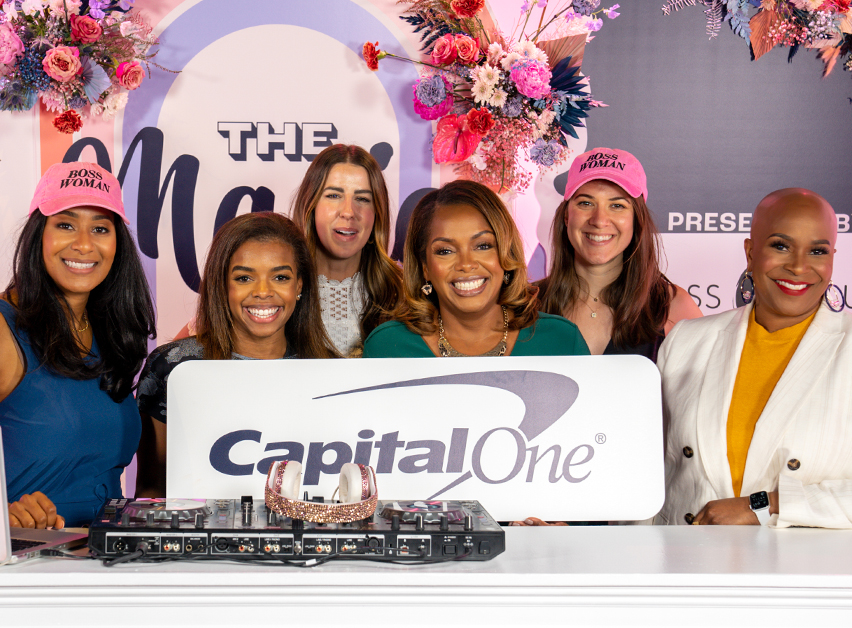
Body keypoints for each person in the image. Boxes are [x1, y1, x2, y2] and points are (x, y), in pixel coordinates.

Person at [656, 188, 852, 528]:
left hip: (802, 574)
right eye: (780, 246)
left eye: (818, 251)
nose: (799, 266)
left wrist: (763, 505)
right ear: (750, 252)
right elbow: (650, 478)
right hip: (687, 569)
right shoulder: (686, 341)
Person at [0, 162, 156, 528]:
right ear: (38, 235)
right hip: (17, 570)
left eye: (100, 228)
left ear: (117, 244)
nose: (83, 244)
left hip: (106, 565)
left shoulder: (112, 332)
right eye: (65, 224)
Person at [135, 212, 338, 497]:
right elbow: (151, 491)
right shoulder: (172, 368)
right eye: (244, 278)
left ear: (300, 285)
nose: (263, 292)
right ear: (222, 285)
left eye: (280, 276)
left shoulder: (333, 372)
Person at [363, 179, 589, 358]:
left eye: (483, 246)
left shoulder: (561, 341)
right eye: (445, 251)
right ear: (425, 268)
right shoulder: (387, 347)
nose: (466, 264)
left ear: (506, 255)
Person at [536, 148, 701, 360]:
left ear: (636, 220)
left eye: (617, 205)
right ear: (567, 216)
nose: (599, 220)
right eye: (586, 203)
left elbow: (704, 390)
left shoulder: (673, 306)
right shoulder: (527, 303)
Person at [290, 144, 403, 357]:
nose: (349, 212)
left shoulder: (403, 292)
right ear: (310, 205)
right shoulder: (280, 287)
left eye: (362, 199)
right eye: (333, 196)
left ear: (377, 213)